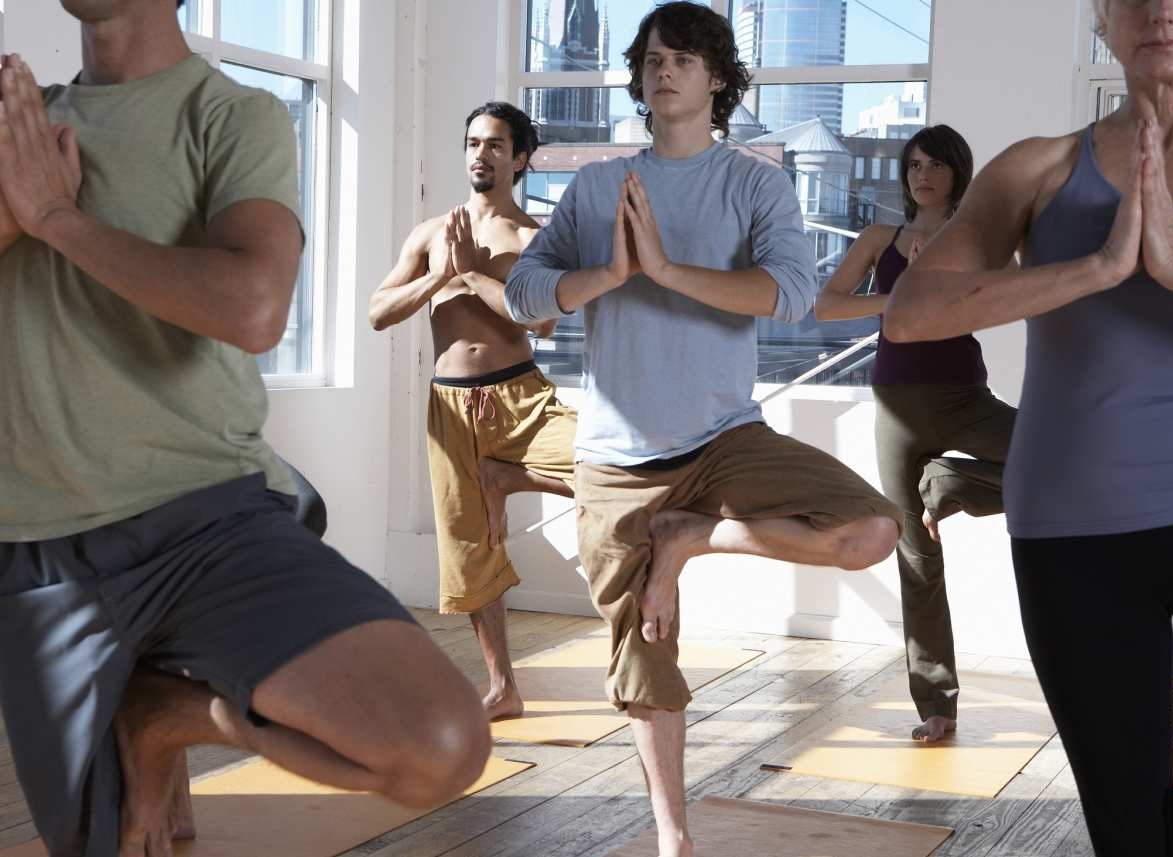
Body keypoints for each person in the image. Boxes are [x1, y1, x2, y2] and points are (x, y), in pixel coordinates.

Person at [0, 4, 489, 856]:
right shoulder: (19, 122)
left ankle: (165, 713)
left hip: (207, 525)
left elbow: (254, 308)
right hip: (42, 555)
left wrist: (54, 221)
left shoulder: (231, 115)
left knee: (440, 745)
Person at [505, 5, 902, 854]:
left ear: (718, 78)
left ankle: (694, 535)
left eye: (683, 58)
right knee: (645, 662)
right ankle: (672, 837)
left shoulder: (754, 182)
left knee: (870, 530)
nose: (662, 70)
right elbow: (522, 297)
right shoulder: (596, 185)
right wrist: (606, 273)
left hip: (726, 436)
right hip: (615, 458)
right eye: (651, 58)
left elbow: (793, 295)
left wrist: (666, 272)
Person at [885, 0, 1173, 852]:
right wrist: (1096, 267)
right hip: (1076, 529)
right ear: (1103, 18)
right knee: (1128, 831)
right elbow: (913, 312)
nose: (1164, 9)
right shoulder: (1040, 169)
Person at [370, 101, 576, 720]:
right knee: (470, 549)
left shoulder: (535, 239)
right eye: (472, 143)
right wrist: (439, 278)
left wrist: (474, 276)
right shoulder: (433, 233)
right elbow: (379, 313)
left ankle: (508, 475)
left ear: (519, 159)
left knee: (605, 467)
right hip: (450, 408)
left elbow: (542, 320)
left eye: (494, 145)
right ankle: (502, 688)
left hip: (521, 398)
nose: (480, 154)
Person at [814, 125, 1016, 743]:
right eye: (914, 165)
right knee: (917, 558)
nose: (922, 175)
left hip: (963, 396)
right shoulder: (881, 239)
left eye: (935, 165)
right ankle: (937, 704)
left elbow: (1007, 295)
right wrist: (897, 296)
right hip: (896, 404)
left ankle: (949, 484)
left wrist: (951, 282)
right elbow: (828, 304)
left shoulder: (976, 237)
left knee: (1056, 460)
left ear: (957, 172)